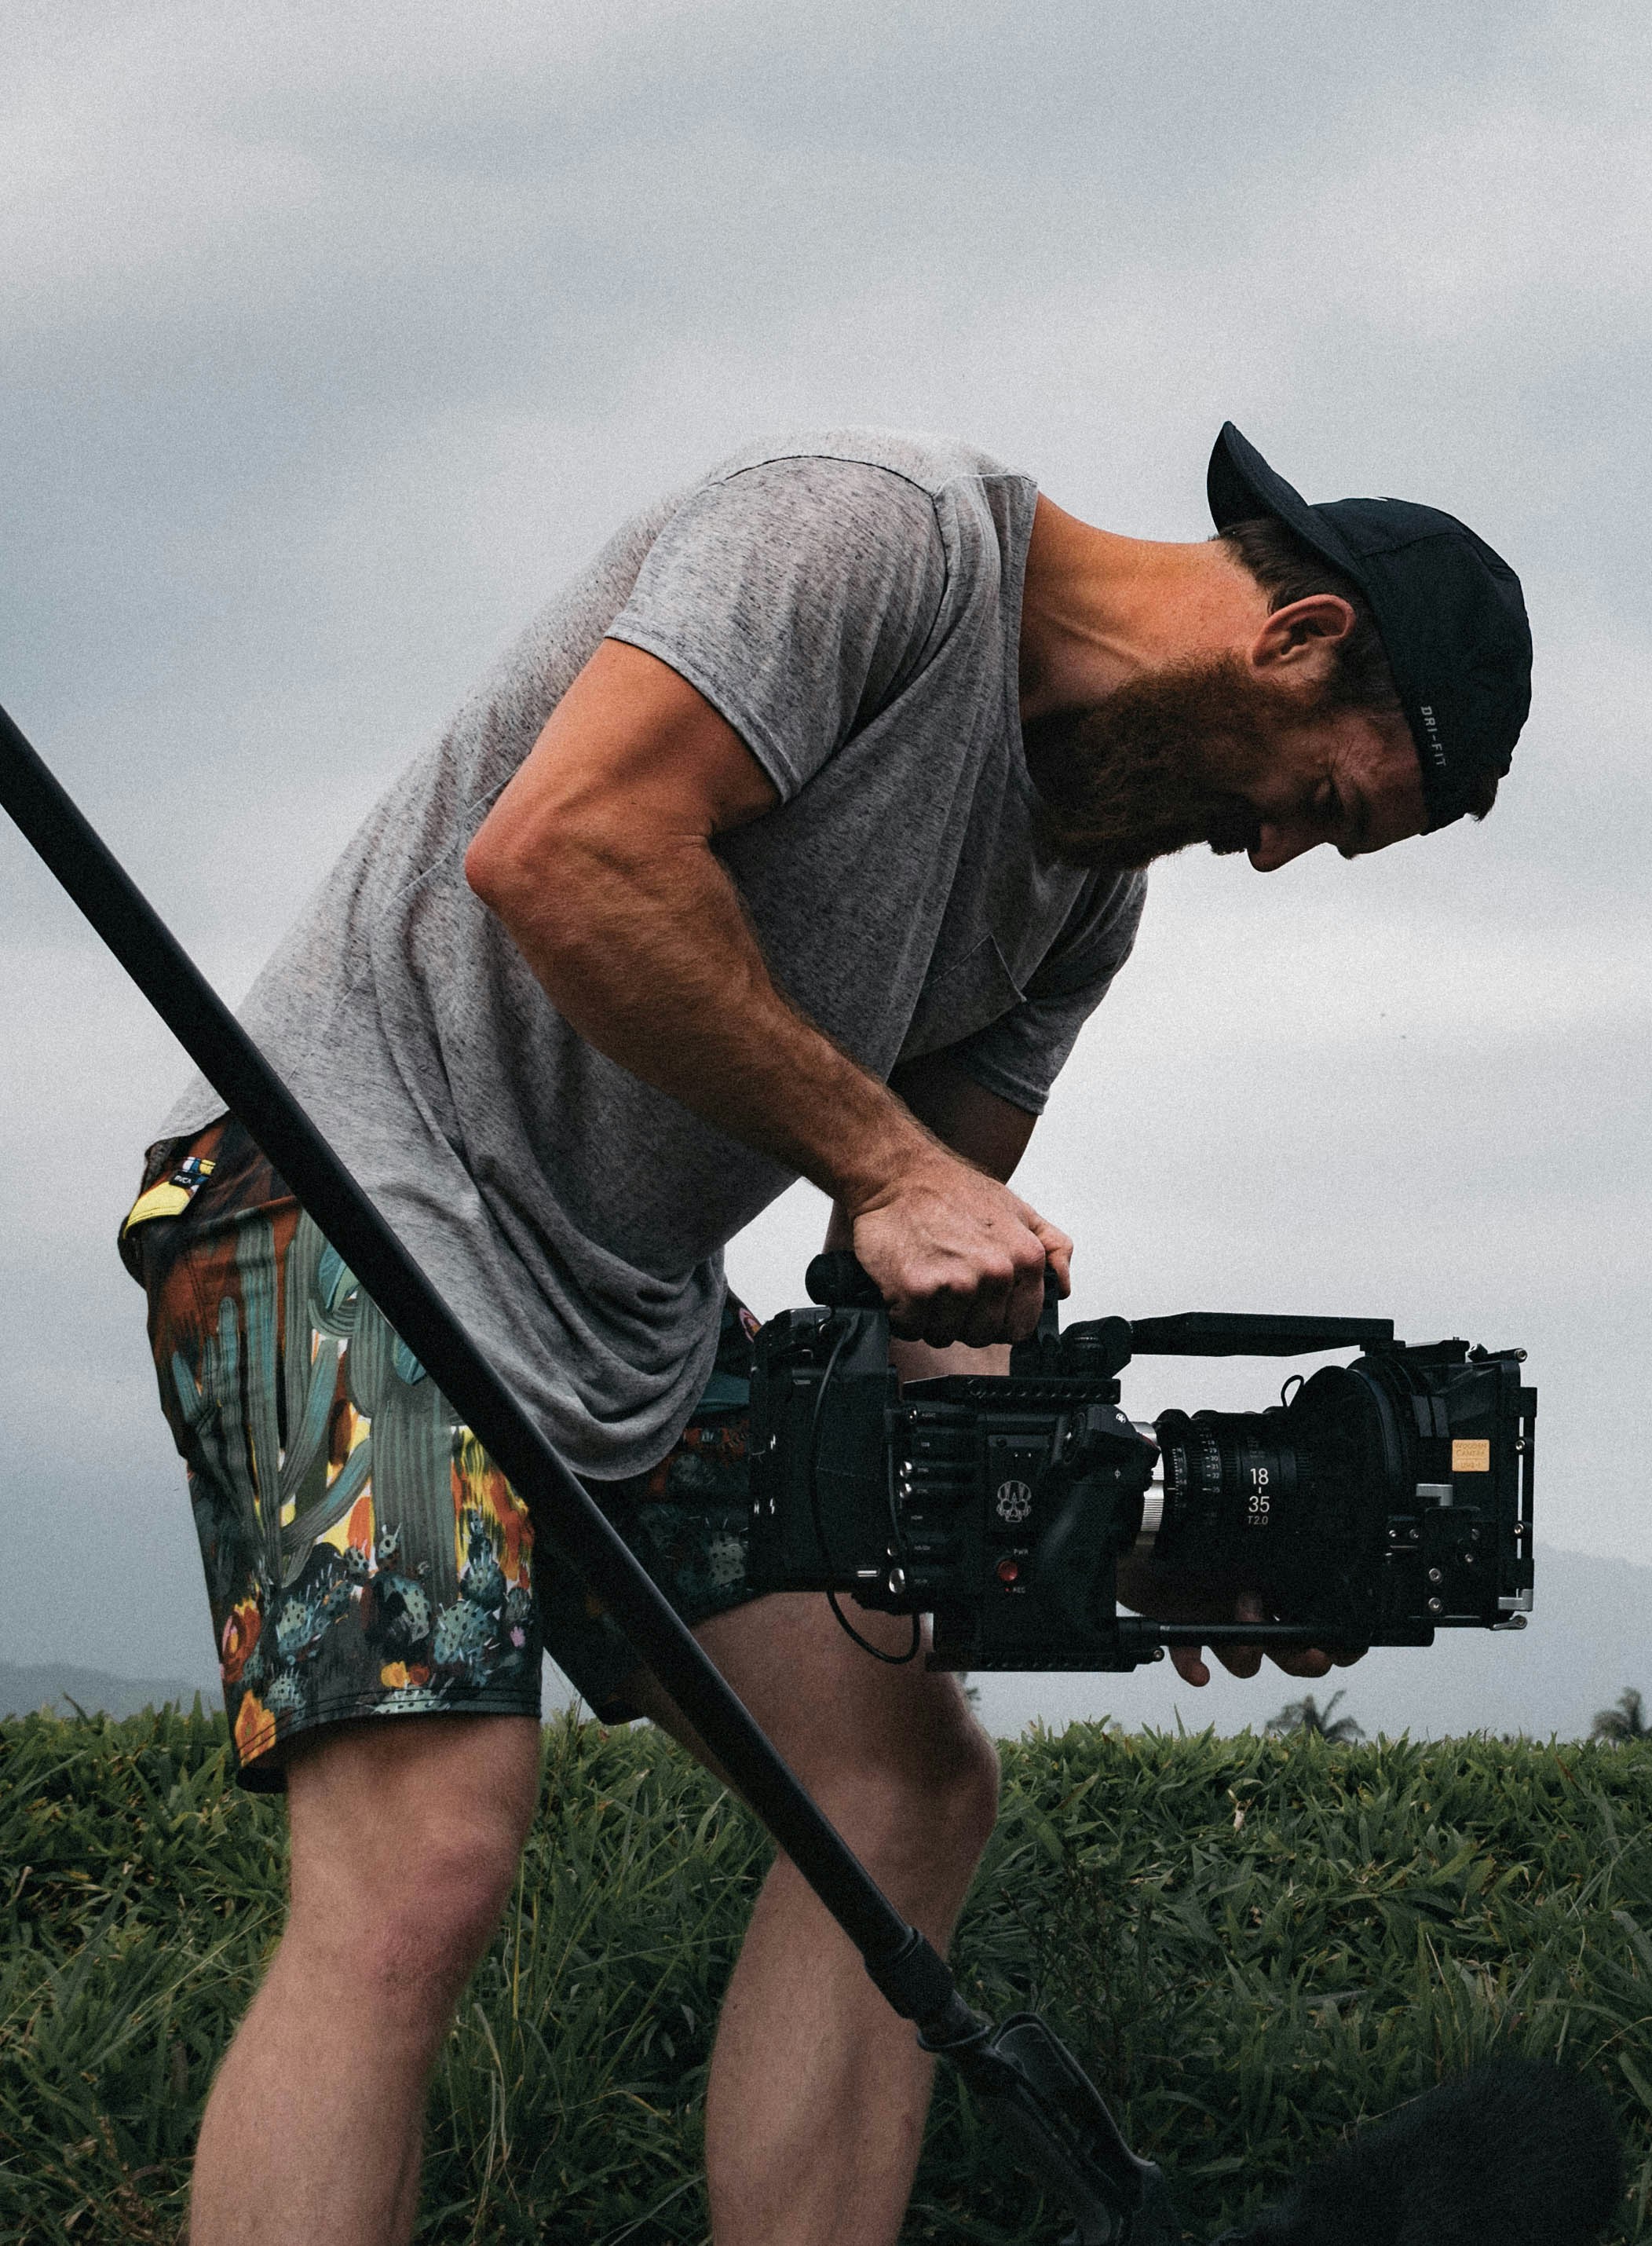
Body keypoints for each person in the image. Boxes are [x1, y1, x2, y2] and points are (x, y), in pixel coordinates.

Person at [118, 424, 1530, 2246]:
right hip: (336, 1190)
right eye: (1314, 806)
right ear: (1297, 634)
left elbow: (924, 1280)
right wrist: (880, 1158)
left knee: (904, 1777)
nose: (1265, 853)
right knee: (432, 1848)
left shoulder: (1086, 898)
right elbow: (560, 853)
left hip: (623, 1314)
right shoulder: (864, 538)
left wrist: (1114, 1536)